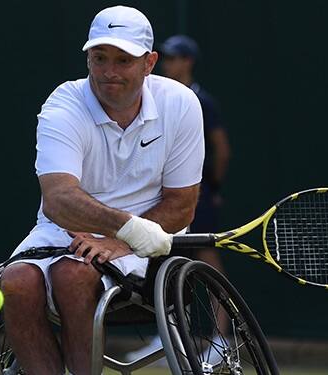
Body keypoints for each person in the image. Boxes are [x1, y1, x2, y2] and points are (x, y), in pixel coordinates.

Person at [0, 6, 204, 375]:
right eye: (100, 58)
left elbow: (182, 205)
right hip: (63, 227)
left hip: (147, 237)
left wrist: (124, 240)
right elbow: (59, 199)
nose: (109, 72)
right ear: (88, 58)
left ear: (149, 63)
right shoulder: (64, 104)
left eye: (123, 60)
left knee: (71, 274)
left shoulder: (181, 104)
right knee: (15, 282)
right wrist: (123, 229)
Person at [125, 34, 233, 364]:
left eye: (175, 58)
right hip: (164, 196)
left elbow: (222, 149)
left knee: (206, 265)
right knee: (163, 265)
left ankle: (221, 342)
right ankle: (169, 339)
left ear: (187, 62)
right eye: (166, 58)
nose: (169, 64)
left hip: (195, 196)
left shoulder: (201, 101)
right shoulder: (159, 99)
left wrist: (211, 187)